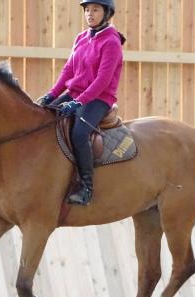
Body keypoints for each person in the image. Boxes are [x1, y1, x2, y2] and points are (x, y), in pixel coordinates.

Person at [38, 0, 125, 206]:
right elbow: (68, 70)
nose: (90, 14)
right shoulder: (81, 38)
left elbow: (102, 80)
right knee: (45, 118)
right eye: (87, 10)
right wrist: (52, 95)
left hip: (99, 98)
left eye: (95, 9)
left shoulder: (111, 42)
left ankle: (86, 187)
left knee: (79, 133)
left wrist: (79, 102)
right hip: (76, 93)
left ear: (107, 13)